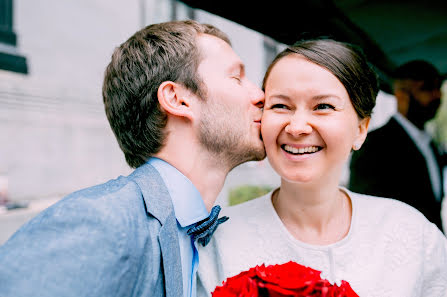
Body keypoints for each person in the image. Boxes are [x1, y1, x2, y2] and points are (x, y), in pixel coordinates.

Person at [0, 20, 265, 297]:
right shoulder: (102, 222)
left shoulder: (195, 234)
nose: (259, 95)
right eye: (236, 78)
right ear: (178, 99)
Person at [196, 39, 447, 297]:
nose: (297, 127)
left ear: (361, 129)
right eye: (280, 106)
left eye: (323, 107)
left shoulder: (413, 235)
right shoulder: (217, 243)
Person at [348, 60, 445, 232]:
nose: (437, 96)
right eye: (427, 88)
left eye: (438, 88)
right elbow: (366, 210)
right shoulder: (374, 145)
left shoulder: (431, 143)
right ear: (401, 95)